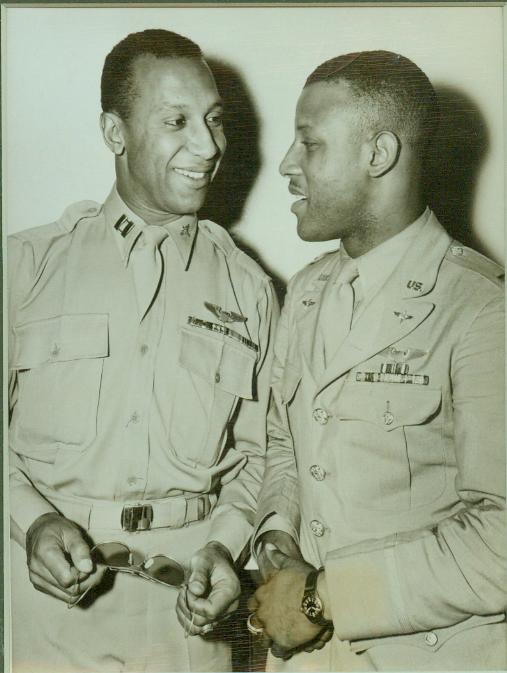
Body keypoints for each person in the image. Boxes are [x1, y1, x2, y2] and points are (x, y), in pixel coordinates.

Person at [8, 29, 278, 673]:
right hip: (40, 613)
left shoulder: (249, 286)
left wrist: (226, 545)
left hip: (186, 619)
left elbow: (263, 454)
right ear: (115, 132)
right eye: (177, 121)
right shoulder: (23, 267)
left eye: (214, 121)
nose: (208, 146)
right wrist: (33, 521)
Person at [249, 50, 506, 671]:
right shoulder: (306, 292)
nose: (287, 164)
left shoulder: (480, 309)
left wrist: (320, 597)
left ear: (378, 154)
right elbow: (285, 445)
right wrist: (277, 532)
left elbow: (501, 542)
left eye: (309, 144)